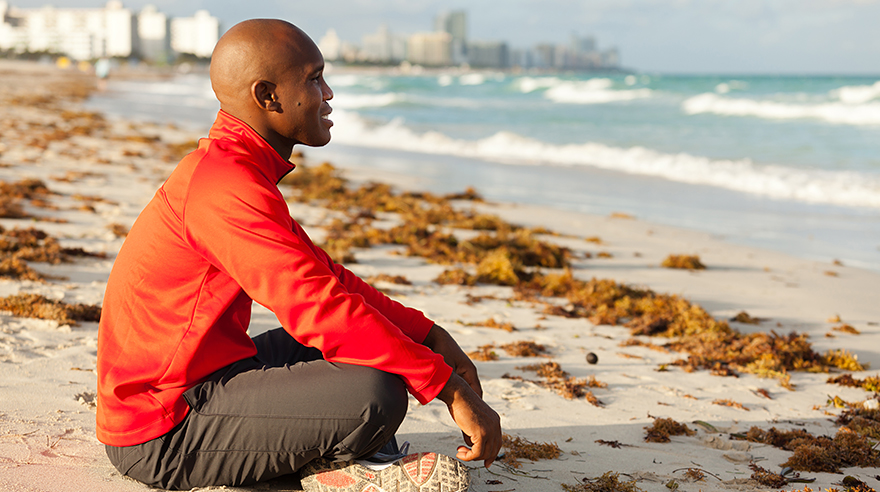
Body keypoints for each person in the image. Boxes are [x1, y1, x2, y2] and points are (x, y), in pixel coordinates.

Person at [96, 19, 501, 491]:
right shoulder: (223, 186)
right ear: (268, 95)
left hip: (210, 375)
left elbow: (331, 282)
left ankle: (334, 458)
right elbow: (318, 308)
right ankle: (341, 469)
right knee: (377, 392)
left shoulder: (236, 170)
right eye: (313, 78)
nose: (328, 94)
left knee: (375, 348)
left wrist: (430, 336)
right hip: (162, 429)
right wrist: (447, 387)